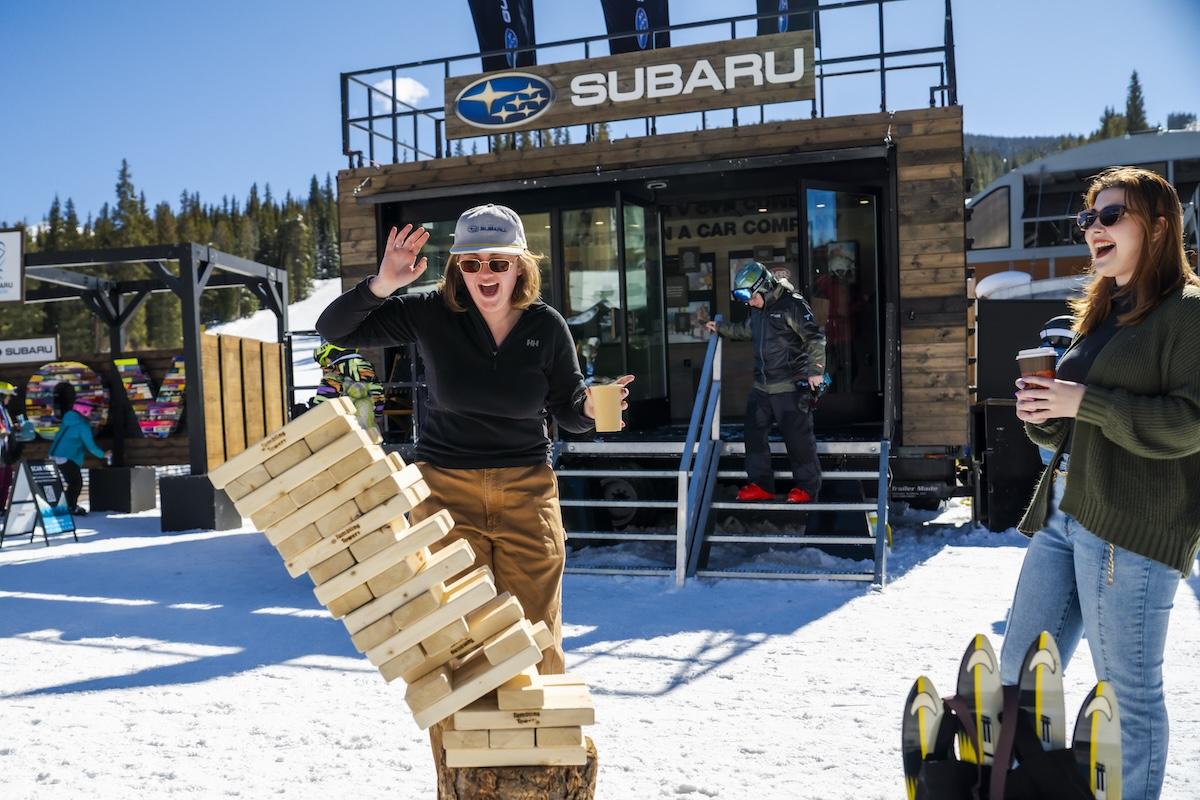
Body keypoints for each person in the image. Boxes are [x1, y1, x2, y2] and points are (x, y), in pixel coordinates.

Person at [317, 203, 633, 679]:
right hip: (446, 493)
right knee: (457, 636)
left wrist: (589, 409)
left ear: (520, 266)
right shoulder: (429, 312)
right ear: (457, 268)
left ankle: (544, 750)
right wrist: (383, 284)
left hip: (526, 492)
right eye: (471, 263)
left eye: (498, 262)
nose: (485, 272)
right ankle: (465, 753)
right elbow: (334, 330)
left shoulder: (546, 326)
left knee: (535, 633)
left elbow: (567, 410)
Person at [1005, 166, 1200, 800]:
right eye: (1088, 218)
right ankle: (1041, 785)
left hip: (1131, 528)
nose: (1094, 228)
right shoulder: (1104, 309)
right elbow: (1073, 426)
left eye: (1111, 216)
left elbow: (1189, 424)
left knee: (1126, 691)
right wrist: (1043, 416)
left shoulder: (1188, 313)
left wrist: (1081, 401)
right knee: (1020, 672)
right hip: (1065, 512)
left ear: (1159, 227)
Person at [706, 261, 826, 503]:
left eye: (750, 297)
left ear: (764, 287)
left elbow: (814, 338)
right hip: (762, 386)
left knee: (798, 439)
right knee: (753, 435)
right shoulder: (758, 310)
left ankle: (807, 488)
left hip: (790, 385)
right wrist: (721, 328)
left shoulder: (792, 304)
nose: (748, 303)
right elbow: (746, 331)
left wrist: (815, 370)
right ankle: (762, 485)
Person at [47, 382, 110, 516]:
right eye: (91, 411)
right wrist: (104, 454)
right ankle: (70, 507)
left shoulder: (69, 418)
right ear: (84, 411)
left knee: (72, 482)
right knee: (76, 482)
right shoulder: (82, 425)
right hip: (65, 457)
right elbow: (91, 447)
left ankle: (68, 505)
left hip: (54, 454)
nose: (92, 413)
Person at [309, 340, 384, 430]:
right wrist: (377, 414)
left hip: (345, 431)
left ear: (332, 353)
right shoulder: (368, 372)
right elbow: (379, 397)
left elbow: (321, 409)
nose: (328, 364)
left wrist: (313, 408)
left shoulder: (332, 377)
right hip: (370, 431)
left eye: (326, 359)